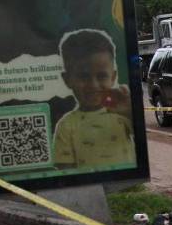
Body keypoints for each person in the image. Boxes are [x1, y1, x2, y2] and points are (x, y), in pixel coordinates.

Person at [53, 29, 136, 169]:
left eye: (102, 76)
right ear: (67, 79)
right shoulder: (66, 126)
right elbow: (65, 171)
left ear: (113, 77)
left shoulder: (123, 114)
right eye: (84, 76)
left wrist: (129, 111)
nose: (93, 85)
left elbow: (142, 134)